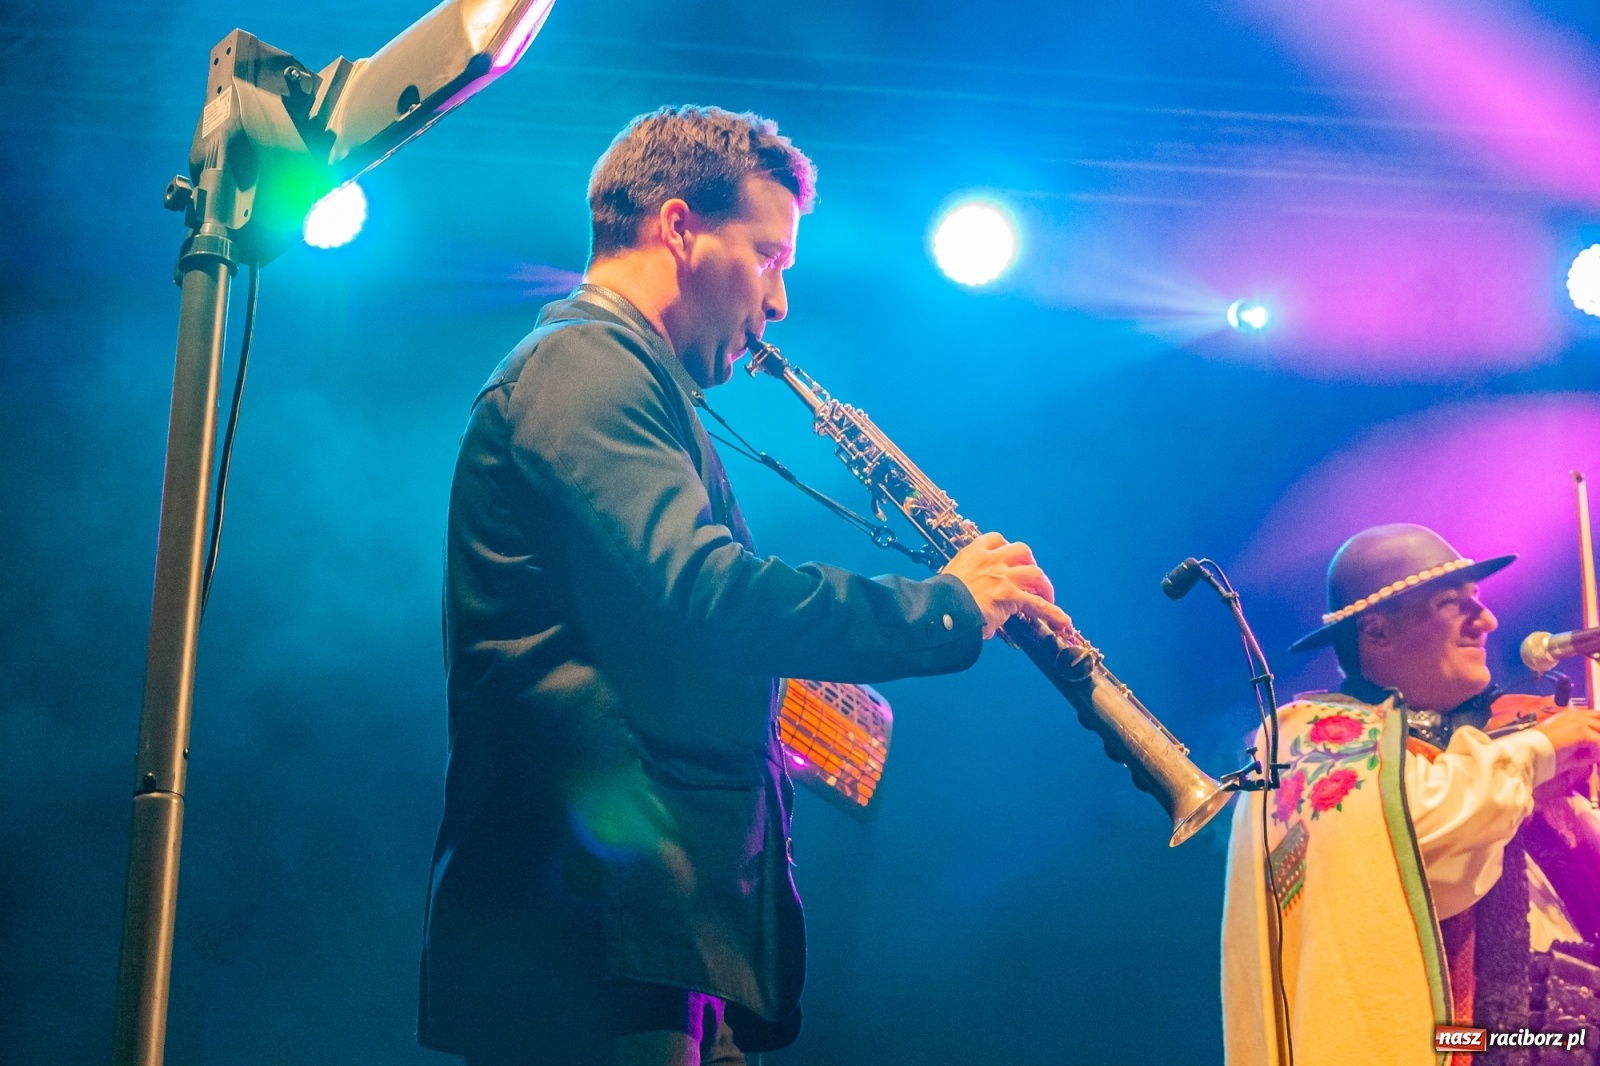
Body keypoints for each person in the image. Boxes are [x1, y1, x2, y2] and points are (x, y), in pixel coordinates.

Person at [417, 105, 1071, 1066]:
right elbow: (709, 594)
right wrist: (945, 606)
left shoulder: (624, 380)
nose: (779, 303)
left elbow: (656, 637)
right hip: (595, 931)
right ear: (679, 228)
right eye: (770, 258)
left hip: (649, 933)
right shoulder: (585, 367)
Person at [1222, 523, 1600, 1065]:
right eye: (1453, 603)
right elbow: (1412, 837)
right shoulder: (1309, 736)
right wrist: (1538, 750)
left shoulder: (1496, 754)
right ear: (1376, 632)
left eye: (1480, 601)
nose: (1488, 620)